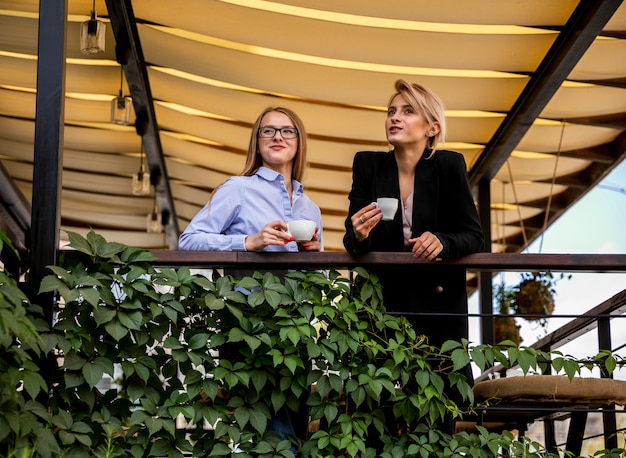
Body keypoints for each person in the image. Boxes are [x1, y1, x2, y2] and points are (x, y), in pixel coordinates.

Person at [179, 106, 323, 443]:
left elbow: (316, 275)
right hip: (249, 326)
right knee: (268, 435)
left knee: (296, 433)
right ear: (257, 142)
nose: (277, 137)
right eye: (268, 130)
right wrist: (247, 241)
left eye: (287, 131)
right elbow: (188, 241)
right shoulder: (238, 188)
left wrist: (313, 257)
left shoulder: (310, 208)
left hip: (297, 330)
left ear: (299, 142)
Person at [343, 78, 484, 357]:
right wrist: (359, 234)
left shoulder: (449, 165)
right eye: (391, 111)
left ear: (432, 127)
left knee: (444, 392)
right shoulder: (367, 165)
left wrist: (442, 241)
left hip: (438, 305)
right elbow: (352, 240)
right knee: (374, 395)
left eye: (408, 111)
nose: (395, 118)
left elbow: (474, 236)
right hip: (379, 305)